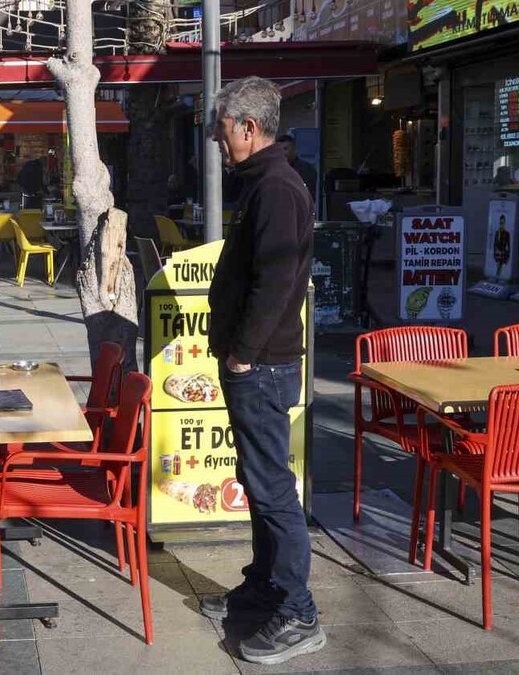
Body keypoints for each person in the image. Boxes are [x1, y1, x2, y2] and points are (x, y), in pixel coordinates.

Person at [204, 78, 324, 665]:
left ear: (249, 128)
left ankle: (299, 611)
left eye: (224, 133)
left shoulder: (276, 189)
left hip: (263, 364)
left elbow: (276, 282)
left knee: (272, 487)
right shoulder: (265, 185)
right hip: (256, 360)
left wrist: (244, 351)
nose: (219, 145)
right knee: (259, 481)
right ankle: (266, 586)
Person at [276, 134, 318, 203]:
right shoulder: (276, 169)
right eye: (280, 150)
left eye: (285, 149)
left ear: (293, 148)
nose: (283, 153)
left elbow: (311, 196)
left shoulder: (307, 170)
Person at [492, 213, 511, 278]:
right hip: (497, 253)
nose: (501, 225)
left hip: (503, 253)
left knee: (501, 267)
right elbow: (494, 244)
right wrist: (495, 253)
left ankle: (499, 277)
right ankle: (497, 277)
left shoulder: (507, 233)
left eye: (502, 223)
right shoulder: (497, 233)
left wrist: (507, 256)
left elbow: (508, 246)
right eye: (500, 223)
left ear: (504, 223)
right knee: (498, 266)